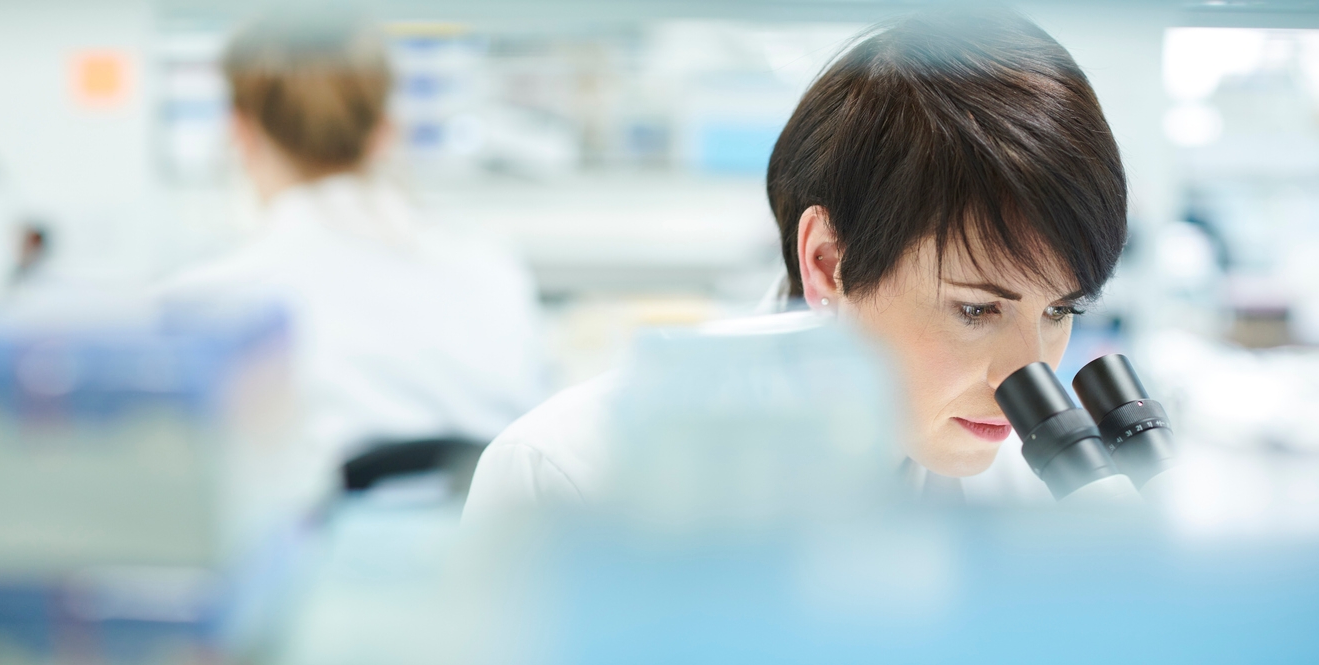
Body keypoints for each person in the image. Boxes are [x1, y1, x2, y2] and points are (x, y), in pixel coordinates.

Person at [463, 9, 1127, 520]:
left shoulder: (1035, 498)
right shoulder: (571, 478)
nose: (1028, 373)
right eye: (976, 309)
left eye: (1060, 309)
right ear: (828, 264)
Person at [162, 13, 547, 504]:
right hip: (491, 572)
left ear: (240, 130)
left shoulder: (206, 306)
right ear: (384, 131)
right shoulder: (492, 274)